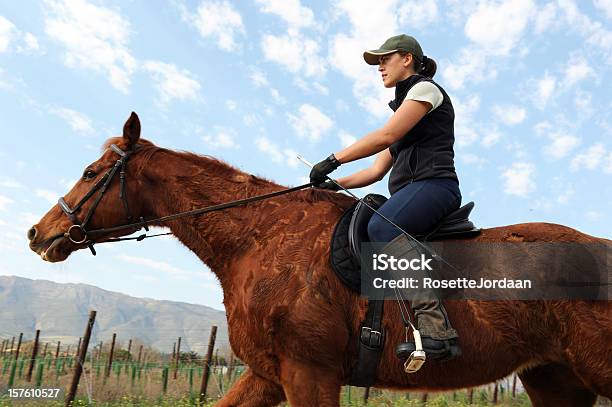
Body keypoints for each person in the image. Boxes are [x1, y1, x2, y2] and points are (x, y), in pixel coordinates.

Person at [309, 34, 461, 361]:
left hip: (435, 185)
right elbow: (376, 172)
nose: (379, 67)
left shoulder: (425, 90)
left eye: (384, 59)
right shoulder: (407, 116)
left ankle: (436, 329)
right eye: (378, 62)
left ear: (407, 58)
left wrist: (334, 158)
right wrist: (333, 183)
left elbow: (385, 135)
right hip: (413, 190)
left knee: (381, 228)